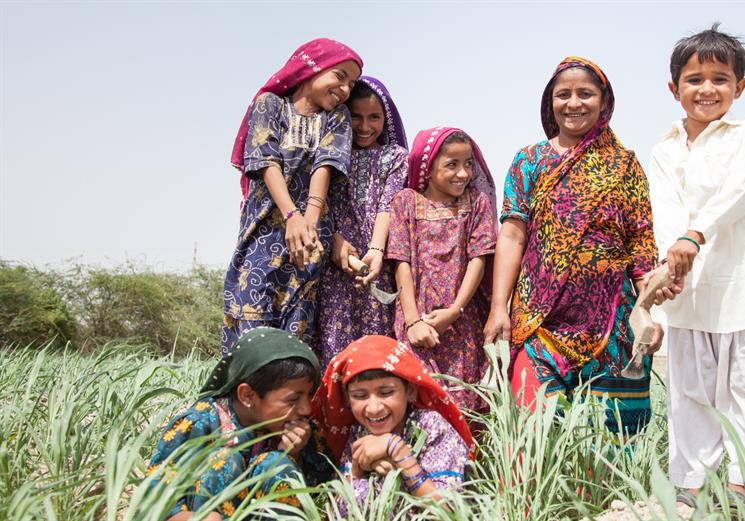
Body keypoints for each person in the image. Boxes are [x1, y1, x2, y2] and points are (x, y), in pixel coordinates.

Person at [483, 57, 677, 436]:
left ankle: (605, 497)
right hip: (540, 317)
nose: (574, 103)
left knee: (607, 435)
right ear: (549, 102)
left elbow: (640, 242)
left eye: (585, 94)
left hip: (611, 320)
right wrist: (498, 308)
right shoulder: (529, 161)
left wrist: (648, 313)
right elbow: (512, 235)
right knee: (530, 428)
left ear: (604, 102)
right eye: (563, 94)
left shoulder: (624, 164)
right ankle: (526, 496)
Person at [646, 24, 745, 505]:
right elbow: (665, 210)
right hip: (688, 288)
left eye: (719, 78)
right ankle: (691, 485)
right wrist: (669, 265)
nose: (706, 89)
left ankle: (744, 484)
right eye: (694, 79)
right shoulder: (664, 149)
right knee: (690, 390)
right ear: (674, 89)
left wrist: (694, 235)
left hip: (740, 283)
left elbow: (738, 195)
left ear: (740, 87)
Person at [221, 38, 362, 356]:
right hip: (264, 233)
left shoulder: (337, 118)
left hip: (310, 239)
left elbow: (326, 164)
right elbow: (265, 161)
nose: (344, 89)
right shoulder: (270, 104)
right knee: (251, 315)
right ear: (313, 66)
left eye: (351, 84)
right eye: (339, 76)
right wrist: (291, 217)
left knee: (295, 327)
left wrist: (309, 224)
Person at [146, 327, 335, 520]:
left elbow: (322, 486)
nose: (306, 409)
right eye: (293, 399)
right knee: (225, 460)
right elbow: (154, 501)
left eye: (309, 396)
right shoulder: (199, 424)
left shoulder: (299, 426)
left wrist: (294, 453)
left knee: (276, 464)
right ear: (248, 395)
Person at [386, 127, 497, 410]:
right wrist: (412, 321)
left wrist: (455, 310)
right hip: (416, 317)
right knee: (419, 397)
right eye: (452, 164)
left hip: (462, 322)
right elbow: (402, 263)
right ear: (427, 166)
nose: (463, 173)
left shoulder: (476, 204)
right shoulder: (405, 203)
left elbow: (478, 259)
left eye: (468, 164)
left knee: (463, 402)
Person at [313, 335, 475, 515]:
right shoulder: (358, 432)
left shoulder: (430, 427)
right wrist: (357, 472)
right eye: (360, 396)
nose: (373, 408)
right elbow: (339, 510)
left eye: (386, 392)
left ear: (411, 391)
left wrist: (399, 452)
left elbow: (450, 510)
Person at [316, 76, 409, 368]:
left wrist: (377, 251)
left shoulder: (395, 158)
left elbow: (388, 205)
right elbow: (321, 203)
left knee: (377, 346)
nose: (365, 126)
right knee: (333, 341)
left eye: (374, 117)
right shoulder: (328, 155)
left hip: (376, 264)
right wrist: (333, 240)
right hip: (334, 263)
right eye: (355, 116)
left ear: (387, 118)